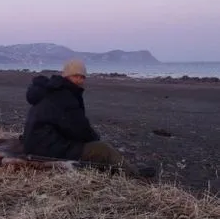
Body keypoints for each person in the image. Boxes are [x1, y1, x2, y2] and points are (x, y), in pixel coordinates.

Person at [21, 59, 155, 178]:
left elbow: (65, 125)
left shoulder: (51, 91)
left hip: (38, 143)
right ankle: (134, 174)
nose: (79, 80)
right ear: (67, 76)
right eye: (75, 76)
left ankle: (115, 169)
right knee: (103, 149)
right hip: (47, 148)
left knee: (92, 146)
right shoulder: (64, 95)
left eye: (82, 77)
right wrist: (94, 139)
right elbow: (78, 128)